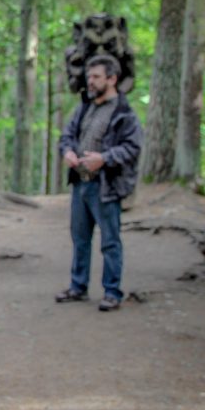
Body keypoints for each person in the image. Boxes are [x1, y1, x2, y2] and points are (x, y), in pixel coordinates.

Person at [55, 54, 142, 312]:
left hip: (106, 187)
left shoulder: (124, 114)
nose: (90, 82)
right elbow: (67, 135)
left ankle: (112, 292)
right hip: (80, 184)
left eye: (96, 77)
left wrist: (104, 158)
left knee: (110, 241)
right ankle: (78, 286)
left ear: (112, 79)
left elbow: (133, 147)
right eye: (88, 77)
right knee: (80, 238)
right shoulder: (84, 107)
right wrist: (68, 151)